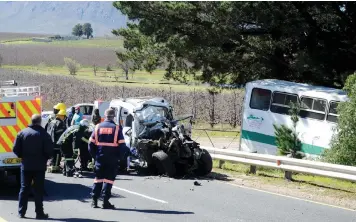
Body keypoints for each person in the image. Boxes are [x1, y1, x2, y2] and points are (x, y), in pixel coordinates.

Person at [13, 114, 53, 219]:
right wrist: (45, 159)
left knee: (24, 189)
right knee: (38, 190)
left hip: (26, 166)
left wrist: (23, 156)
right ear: (40, 122)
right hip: (39, 167)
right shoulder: (45, 134)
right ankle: (39, 213)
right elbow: (49, 151)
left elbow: (16, 149)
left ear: (31, 121)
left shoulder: (22, 133)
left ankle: (21, 212)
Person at [88, 108, 126, 209]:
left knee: (98, 179)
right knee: (109, 180)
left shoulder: (97, 127)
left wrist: (95, 156)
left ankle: (94, 201)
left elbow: (90, 144)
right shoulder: (117, 128)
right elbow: (122, 146)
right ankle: (105, 201)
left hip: (99, 158)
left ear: (104, 116)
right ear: (113, 116)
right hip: (112, 159)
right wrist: (119, 158)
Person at [47, 109, 67, 173]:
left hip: (50, 141)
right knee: (57, 154)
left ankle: (52, 164)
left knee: (53, 154)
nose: (64, 118)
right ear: (61, 116)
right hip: (57, 142)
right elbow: (62, 133)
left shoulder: (52, 121)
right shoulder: (60, 123)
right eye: (64, 116)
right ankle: (55, 166)